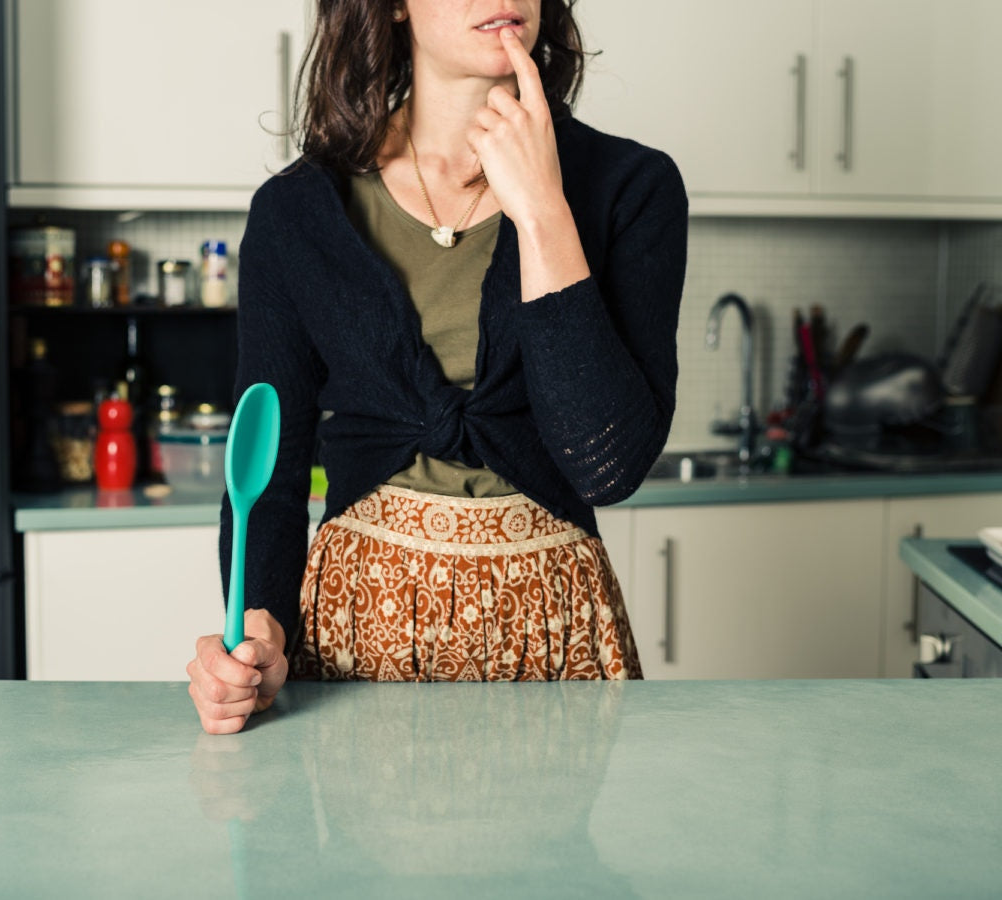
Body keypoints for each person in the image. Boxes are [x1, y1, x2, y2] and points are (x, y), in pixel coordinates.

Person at [188, 0, 688, 734]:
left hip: (551, 628)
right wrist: (258, 630)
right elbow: (269, 466)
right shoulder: (296, 211)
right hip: (359, 630)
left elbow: (607, 468)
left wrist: (543, 210)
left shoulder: (630, 188)